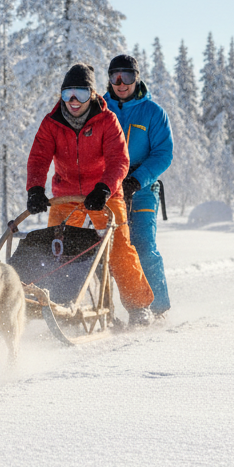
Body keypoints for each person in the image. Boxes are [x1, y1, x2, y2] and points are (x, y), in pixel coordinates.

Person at [25, 63, 155, 326]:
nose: (73, 101)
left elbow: (120, 159)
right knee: (58, 250)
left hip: (105, 195)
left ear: (93, 94)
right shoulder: (52, 123)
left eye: (81, 94)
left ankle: (139, 306)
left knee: (118, 249)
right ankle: (60, 305)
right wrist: (35, 189)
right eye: (67, 94)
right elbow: (39, 158)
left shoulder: (107, 120)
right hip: (66, 195)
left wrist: (105, 187)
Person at [103, 54, 173, 318]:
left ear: (137, 78)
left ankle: (156, 308)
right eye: (115, 77)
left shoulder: (153, 112)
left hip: (140, 188)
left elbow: (163, 153)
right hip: (107, 186)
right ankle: (104, 309)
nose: (121, 83)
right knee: (102, 246)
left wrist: (136, 179)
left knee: (142, 244)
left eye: (128, 77)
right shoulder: (100, 108)